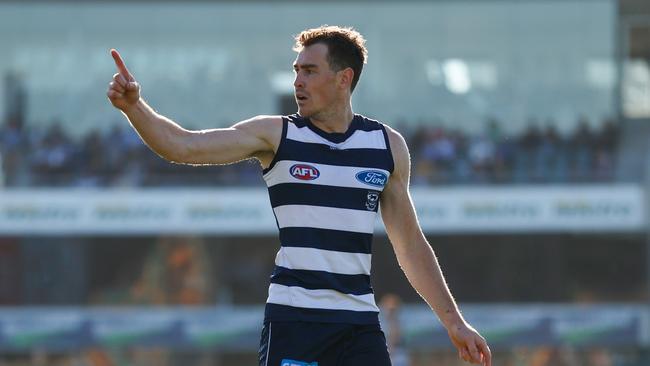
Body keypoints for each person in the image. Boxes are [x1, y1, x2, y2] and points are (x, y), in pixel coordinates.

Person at [107, 25, 491, 366]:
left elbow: (409, 244)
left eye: (309, 71)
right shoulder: (277, 135)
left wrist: (454, 323)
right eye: (296, 72)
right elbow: (184, 147)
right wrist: (134, 107)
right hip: (295, 320)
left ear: (344, 78)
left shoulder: (386, 146)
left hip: (359, 324)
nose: (297, 82)